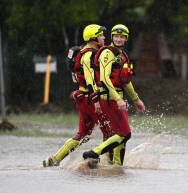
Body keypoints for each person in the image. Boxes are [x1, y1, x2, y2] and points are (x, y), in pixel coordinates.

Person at [43, 24, 112, 167]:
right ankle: (110, 164)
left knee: (83, 134)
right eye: (101, 35)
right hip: (91, 99)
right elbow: (90, 79)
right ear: (93, 38)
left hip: (83, 99)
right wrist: (97, 100)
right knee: (110, 132)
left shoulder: (84, 52)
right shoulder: (89, 54)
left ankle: (55, 159)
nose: (104, 37)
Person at [82, 24, 145, 167]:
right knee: (125, 134)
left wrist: (136, 99)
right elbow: (104, 78)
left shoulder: (123, 56)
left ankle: (117, 167)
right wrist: (117, 99)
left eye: (122, 37)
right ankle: (94, 153)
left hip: (118, 99)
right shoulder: (107, 53)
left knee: (121, 136)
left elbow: (126, 81)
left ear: (126, 39)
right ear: (112, 37)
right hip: (109, 99)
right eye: (116, 36)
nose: (118, 39)